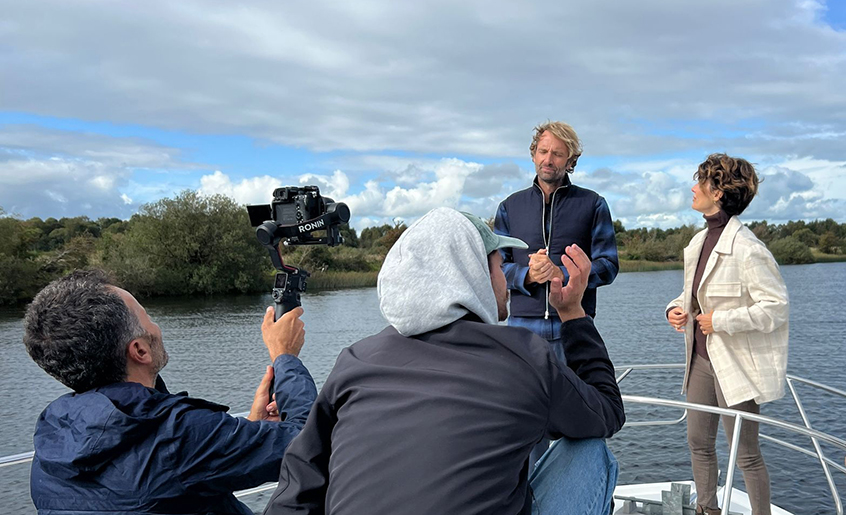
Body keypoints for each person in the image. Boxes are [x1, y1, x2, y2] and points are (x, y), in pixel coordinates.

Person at [263, 207, 625, 515]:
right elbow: (607, 412)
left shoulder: (356, 361)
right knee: (590, 450)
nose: (506, 282)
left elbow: (300, 480)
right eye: (499, 267)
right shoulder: (524, 356)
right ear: (473, 273)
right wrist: (574, 314)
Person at [23, 269, 317, 515]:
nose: (157, 326)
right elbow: (308, 445)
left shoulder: (52, 440)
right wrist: (285, 356)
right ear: (139, 350)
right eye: (147, 315)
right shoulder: (177, 434)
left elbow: (168, 483)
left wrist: (249, 433)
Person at [665, 154, 789, 515]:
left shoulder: (749, 249)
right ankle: (708, 510)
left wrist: (721, 321)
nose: (693, 187)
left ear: (718, 192)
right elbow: (693, 294)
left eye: (700, 182)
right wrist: (677, 310)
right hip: (700, 360)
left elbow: (776, 307)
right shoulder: (698, 242)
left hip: (735, 364)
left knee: (746, 453)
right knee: (698, 443)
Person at [494, 120, 619, 466]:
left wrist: (562, 275)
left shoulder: (594, 204)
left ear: (570, 161)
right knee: (523, 427)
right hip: (521, 335)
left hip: (573, 331)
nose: (549, 159)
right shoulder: (509, 207)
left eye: (558, 154)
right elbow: (497, 267)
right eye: (544, 151)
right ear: (534, 154)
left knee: (577, 429)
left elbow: (608, 265)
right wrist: (529, 276)